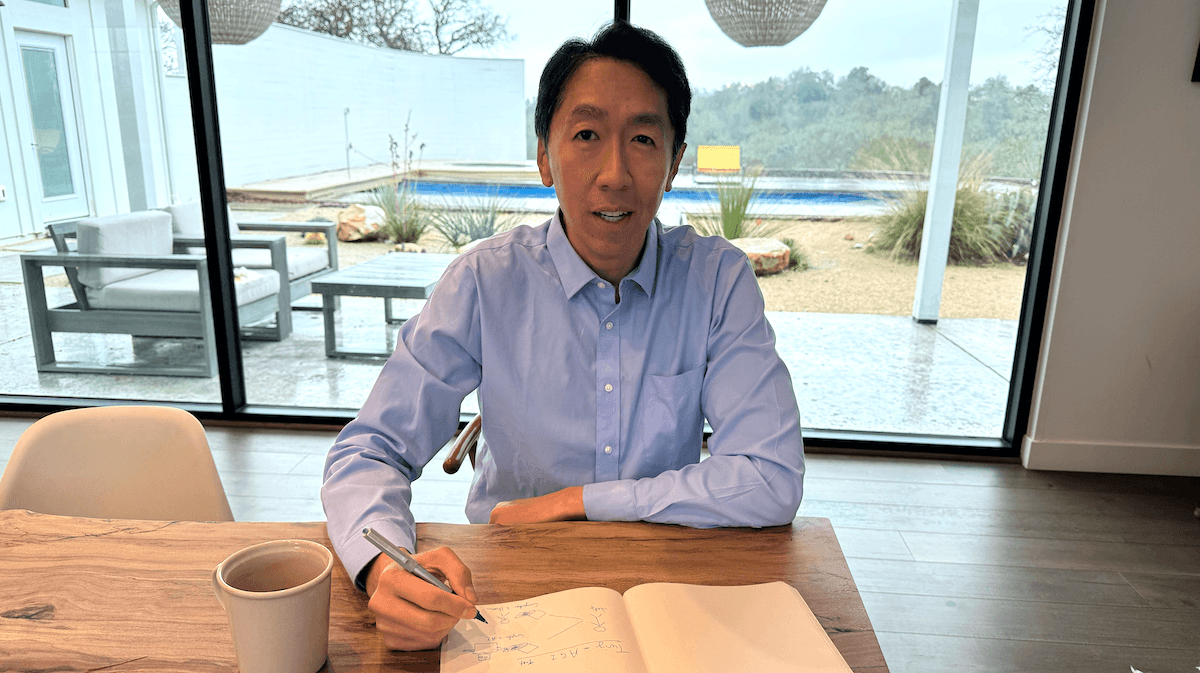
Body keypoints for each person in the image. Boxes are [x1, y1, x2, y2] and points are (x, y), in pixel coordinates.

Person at [321, 21, 805, 651]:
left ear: (674, 160)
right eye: (585, 135)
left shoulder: (717, 280)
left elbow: (770, 477)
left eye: (642, 138)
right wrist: (385, 567)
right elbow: (368, 451)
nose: (614, 173)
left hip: (667, 587)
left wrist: (581, 500)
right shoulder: (486, 281)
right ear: (545, 158)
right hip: (500, 596)